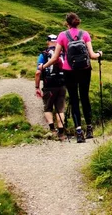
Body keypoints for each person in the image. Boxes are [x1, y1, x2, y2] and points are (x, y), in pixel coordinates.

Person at [39, 13, 102, 143]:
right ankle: (89, 129)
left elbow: (55, 58)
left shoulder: (62, 36)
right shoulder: (85, 34)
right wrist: (100, 53)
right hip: (85, 70)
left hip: (69, 71)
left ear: (66, 23)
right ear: (77, 22)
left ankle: (79, 132)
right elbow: (91, 55)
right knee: (85, 97)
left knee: (74, 99)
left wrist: (43, 66)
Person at [35, 34, 67, 142]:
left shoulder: (43, 55)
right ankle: (61, 133)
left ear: (48, 42)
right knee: (60, 109)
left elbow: (38, 72)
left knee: (48, 107)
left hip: (49, 85)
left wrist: (37, 87)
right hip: (62, 85)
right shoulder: (63, 54)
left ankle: (52, 130)